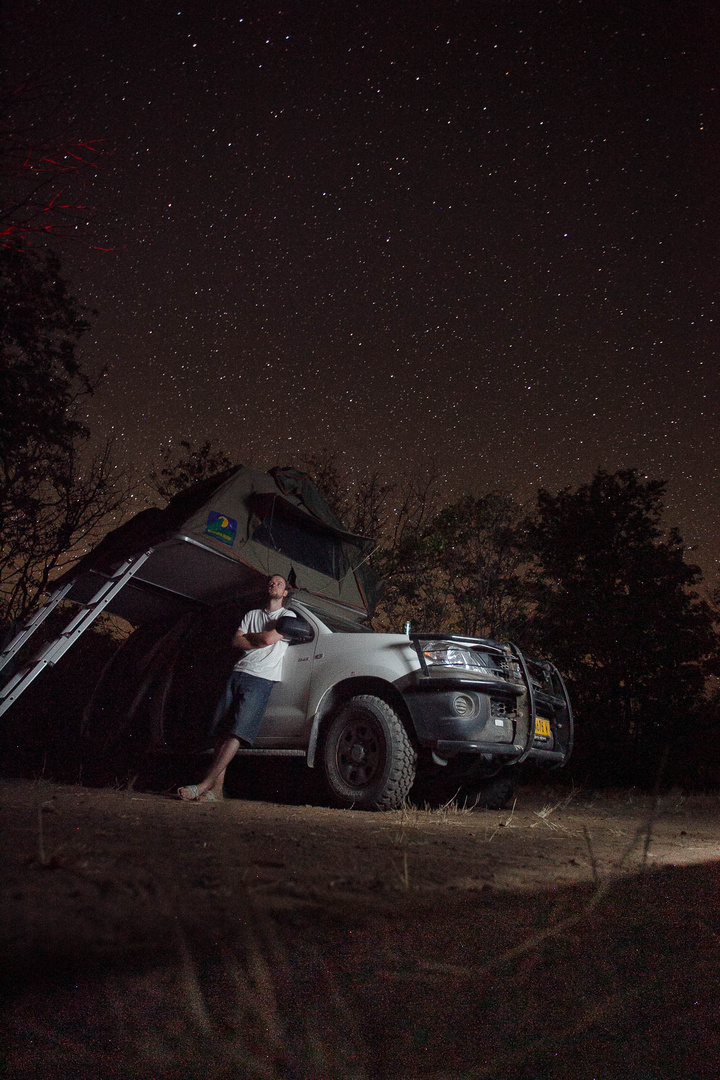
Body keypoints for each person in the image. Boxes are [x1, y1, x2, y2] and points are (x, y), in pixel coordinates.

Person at [178, 574, 296, 802]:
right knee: (220, 732)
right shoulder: (252, 614)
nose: (274, 584)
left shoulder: (287, 616)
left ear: (284, 593)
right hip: (238, 671)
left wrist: (251, 639)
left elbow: (269, 639)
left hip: (261, 677)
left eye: (279, 584)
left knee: (238, 732)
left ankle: (204, 784)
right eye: (271, 582)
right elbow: (236, 641)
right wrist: (256, 638)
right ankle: (216, 792)